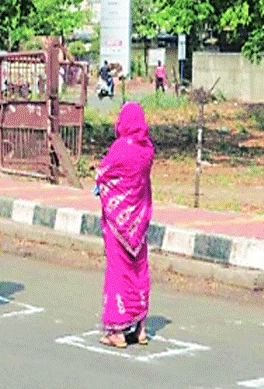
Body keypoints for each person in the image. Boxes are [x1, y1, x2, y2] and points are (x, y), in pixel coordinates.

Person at [94, 102, 154, 348]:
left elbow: (103, 173)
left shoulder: (120, 148)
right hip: (138, 222)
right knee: (138, 271)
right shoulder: (147, 149)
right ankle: (139, 328)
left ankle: (117, 331)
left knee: (118, 272)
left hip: (119, 222)